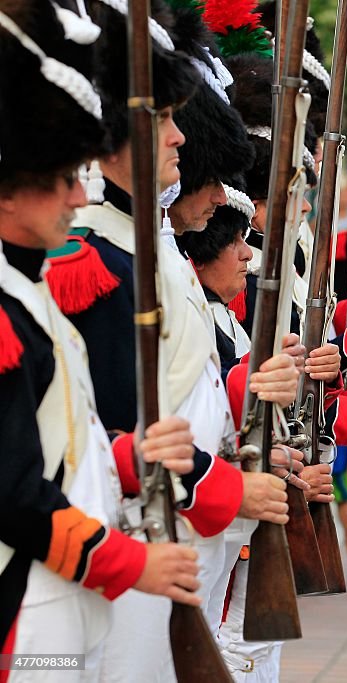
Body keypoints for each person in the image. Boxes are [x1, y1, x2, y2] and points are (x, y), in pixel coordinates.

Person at [0, 1, 201, 668]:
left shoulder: (26, 290)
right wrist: (130, 562)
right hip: (27, 603)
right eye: (62, 179)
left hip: (65, 596)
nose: (79, 196)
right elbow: (15, 495)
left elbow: (64, 442)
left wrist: (130, 454)